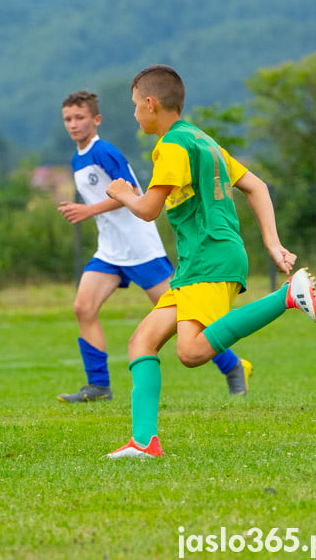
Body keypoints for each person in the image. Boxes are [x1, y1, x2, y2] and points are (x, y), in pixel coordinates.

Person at [103, 65, 316, 458]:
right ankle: (144, 442)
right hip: (198, 262)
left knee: (191, 353)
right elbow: (256, 185)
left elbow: (149, 209)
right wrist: (272, 244)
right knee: (142, 341)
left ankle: (287, 296)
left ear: (151, 105)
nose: (135, 114)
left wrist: (121, 192)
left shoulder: (172, 145)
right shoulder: (202, 140)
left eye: (136, 106)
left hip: (210, 257)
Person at [56, 90, 252, 403]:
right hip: (109, 250)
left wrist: (87, 210)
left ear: (96, 120)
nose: (74, 124)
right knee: (83, 307)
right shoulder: (76, 159)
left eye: (80, 117)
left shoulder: (104, 151)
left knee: (186, 314)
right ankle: (98, 387)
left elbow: (131, 190)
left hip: (140, 248)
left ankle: (233, 366)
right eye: (68, 119)